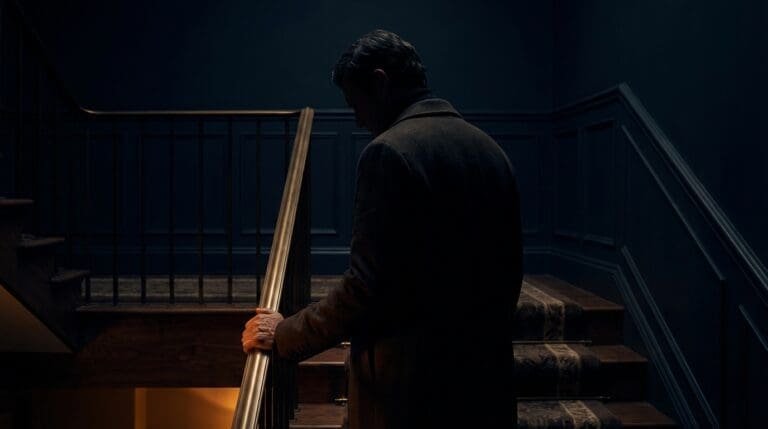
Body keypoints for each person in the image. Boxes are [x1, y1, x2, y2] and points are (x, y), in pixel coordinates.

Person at [242, 29, 523, 429]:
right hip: (485, 386)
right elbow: (509, 273)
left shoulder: (388, 153)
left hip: (411, 397)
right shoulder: (491, 151)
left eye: (355, 102)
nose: (357, 119)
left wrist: (286, 333)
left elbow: (365, 288)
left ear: (379, 82)